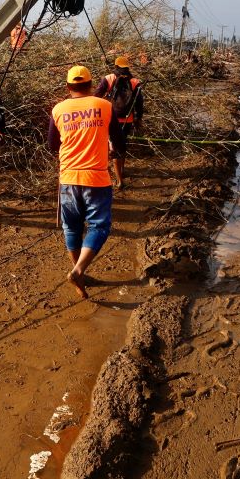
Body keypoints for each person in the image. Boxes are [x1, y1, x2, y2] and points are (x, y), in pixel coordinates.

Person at [48, 65, 116, 299]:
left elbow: (52, 144)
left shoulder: (58, 109)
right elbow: (116, 137)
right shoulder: (105, 106)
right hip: (96, 178)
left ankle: (80, 276)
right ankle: (79, 270)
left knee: (72, 228)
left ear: (68, 87)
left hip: (68, 178)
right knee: (99, 226)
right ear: (90, 85)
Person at [95, 56, 144, 191]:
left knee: (114, 148)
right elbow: (139, 103)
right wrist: (138, 118)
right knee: (122, 145)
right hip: (127, 120)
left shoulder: (108, 78)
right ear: (128, 67)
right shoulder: (135, 82)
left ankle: (119, 181)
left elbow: (96, 97)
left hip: (112, 119)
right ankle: (121, 171)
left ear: (116, 66)